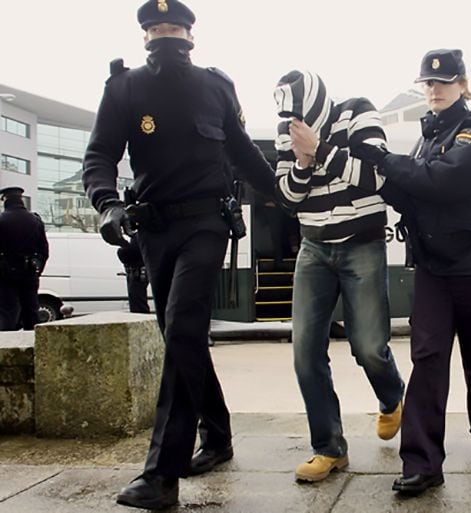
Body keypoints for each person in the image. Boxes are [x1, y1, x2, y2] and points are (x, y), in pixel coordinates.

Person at [82, 1, 275, 509]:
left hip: (207, 223)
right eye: (156, 29)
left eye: (175, 29)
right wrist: (107, 204)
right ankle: (219, 435)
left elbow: (242, 151)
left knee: (185, 327)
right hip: (154, 227)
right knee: (181, 337)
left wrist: (284, 196)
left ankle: (161, 475)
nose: (166, 36)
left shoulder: (216, 86)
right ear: (144, 36)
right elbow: (100, 153)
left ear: (192, 34)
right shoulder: (123, 88)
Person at [352, 49, 471, 496]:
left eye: (444, 82)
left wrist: (385, 160)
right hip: (434, 268)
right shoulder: (425, 139)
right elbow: (415, 191)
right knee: (427, 360)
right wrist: (376, 174)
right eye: (428, 84)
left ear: (462, 84)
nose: (435, 90)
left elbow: (445, 181)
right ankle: (422, 462)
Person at [273, 70, 404, 482]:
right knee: (305, 352)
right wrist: (301, 161)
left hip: (362, 243)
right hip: (313, 247)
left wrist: (321, 150)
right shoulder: (287, 134)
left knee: (368, 346)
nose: (293, 126)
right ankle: (328, 449)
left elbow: (378, 178)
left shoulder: (359, 114)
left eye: (300, 117)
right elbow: (287, 199)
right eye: (289, 118)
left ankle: (392, 396)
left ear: (318, 105)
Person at [0, 187, 49, 331]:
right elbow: (44, 250)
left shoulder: (2, 220)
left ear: (5, 200)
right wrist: (37, 270)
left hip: (5, 275)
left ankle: (6, 349)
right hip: (29, 272)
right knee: (31, 312)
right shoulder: (35, 220)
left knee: (6, 313)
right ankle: (33, 347)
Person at [116, 235, 150, 313]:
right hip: (140, 271)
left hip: (137, 272)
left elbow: (129, 253)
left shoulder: (139, 236)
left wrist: (122, 247)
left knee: (138, 304)